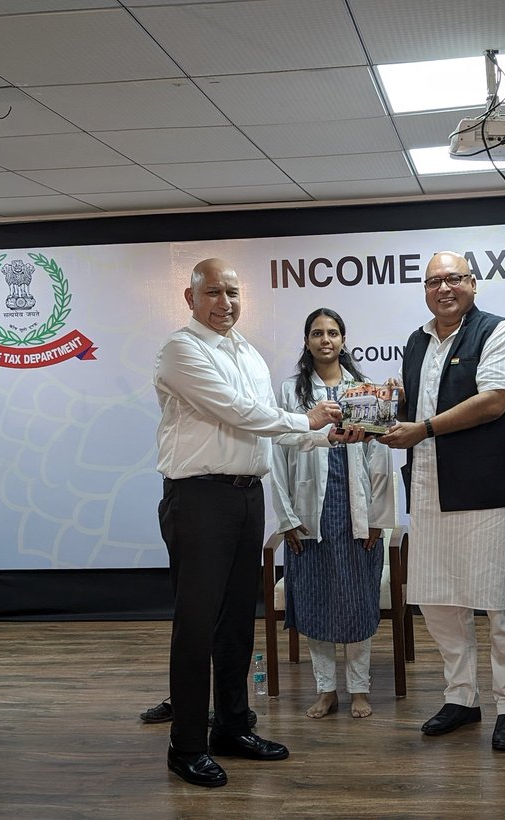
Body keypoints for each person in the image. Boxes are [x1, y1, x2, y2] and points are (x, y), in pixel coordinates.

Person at [154, 258, 351, 788]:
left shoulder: (246, 352)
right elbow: (237, 411)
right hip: (197, 499)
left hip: (246, 496)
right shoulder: (182, 350)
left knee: (238, 620)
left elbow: (267, 428)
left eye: (233, 293)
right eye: (213, 292)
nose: (225, 302)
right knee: (197, 624)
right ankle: (187, 744)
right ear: (190, 297)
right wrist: (304, 420)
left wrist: (323, 436)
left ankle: (232, 726)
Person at [380, 251, 505, 752]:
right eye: (433, 282)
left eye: (453, 279)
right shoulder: (416, 339)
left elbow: (494, 399)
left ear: (474, 282)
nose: (443, 288)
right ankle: (462, 697)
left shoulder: (498, 332)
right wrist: (389, 405)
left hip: (487, 488)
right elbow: (418, 405)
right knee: (440, 600)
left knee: (502, 603)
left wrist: (422, 427)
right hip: (428, 489)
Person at [271, 308, 396, 720]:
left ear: (344, 339)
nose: (326, 340)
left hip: (355, 515)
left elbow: (381, 459)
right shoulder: (292, 392)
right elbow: (276, 455)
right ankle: (326, 689)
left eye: (333, 332)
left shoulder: (365, 391)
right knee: (315, 602)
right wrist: (287, 518)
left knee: (358, 601)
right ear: (306, 341)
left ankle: (360, 688)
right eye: (317, 333)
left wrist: (379, 517)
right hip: (311, 517)